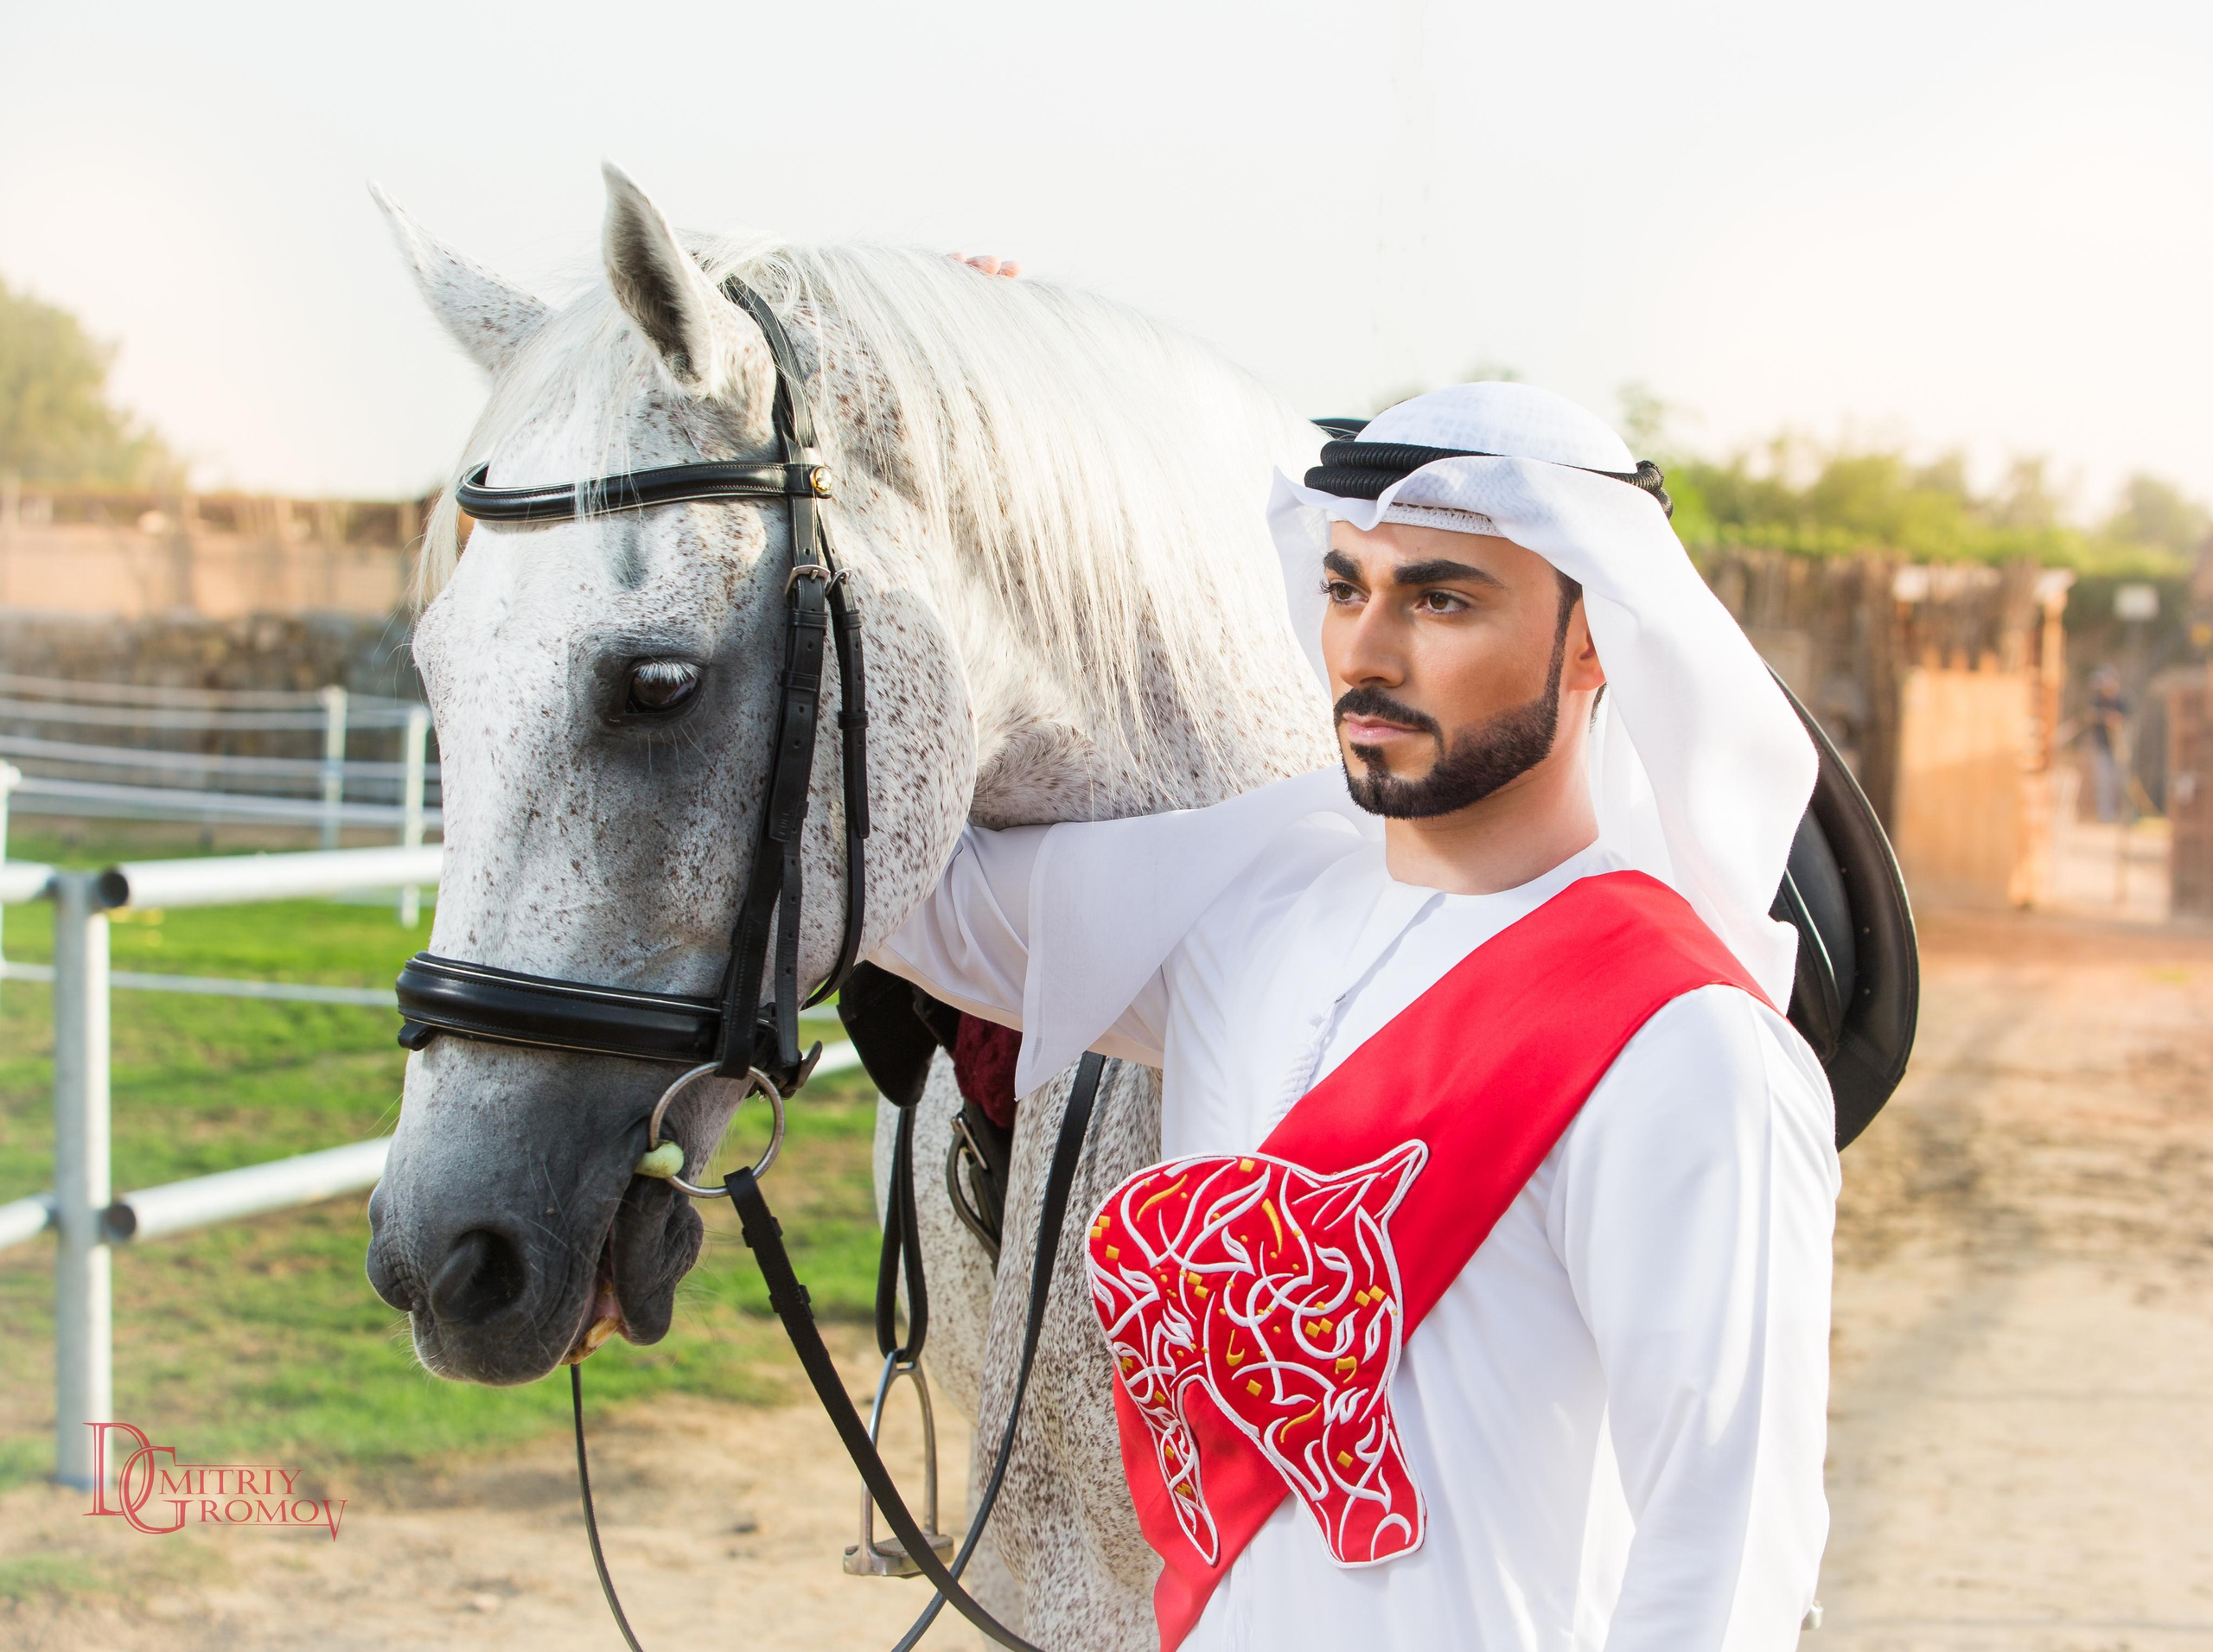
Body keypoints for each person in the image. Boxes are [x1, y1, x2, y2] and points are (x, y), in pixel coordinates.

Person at [871, 381, 1839, 1651]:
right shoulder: (1239, 914)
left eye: (1441, 599)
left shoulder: (1685, 1046)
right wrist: (926, 421)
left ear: (1596, 640)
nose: (1367, 652)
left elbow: (1725, 1563)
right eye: (1344, 590)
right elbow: (883, 884)